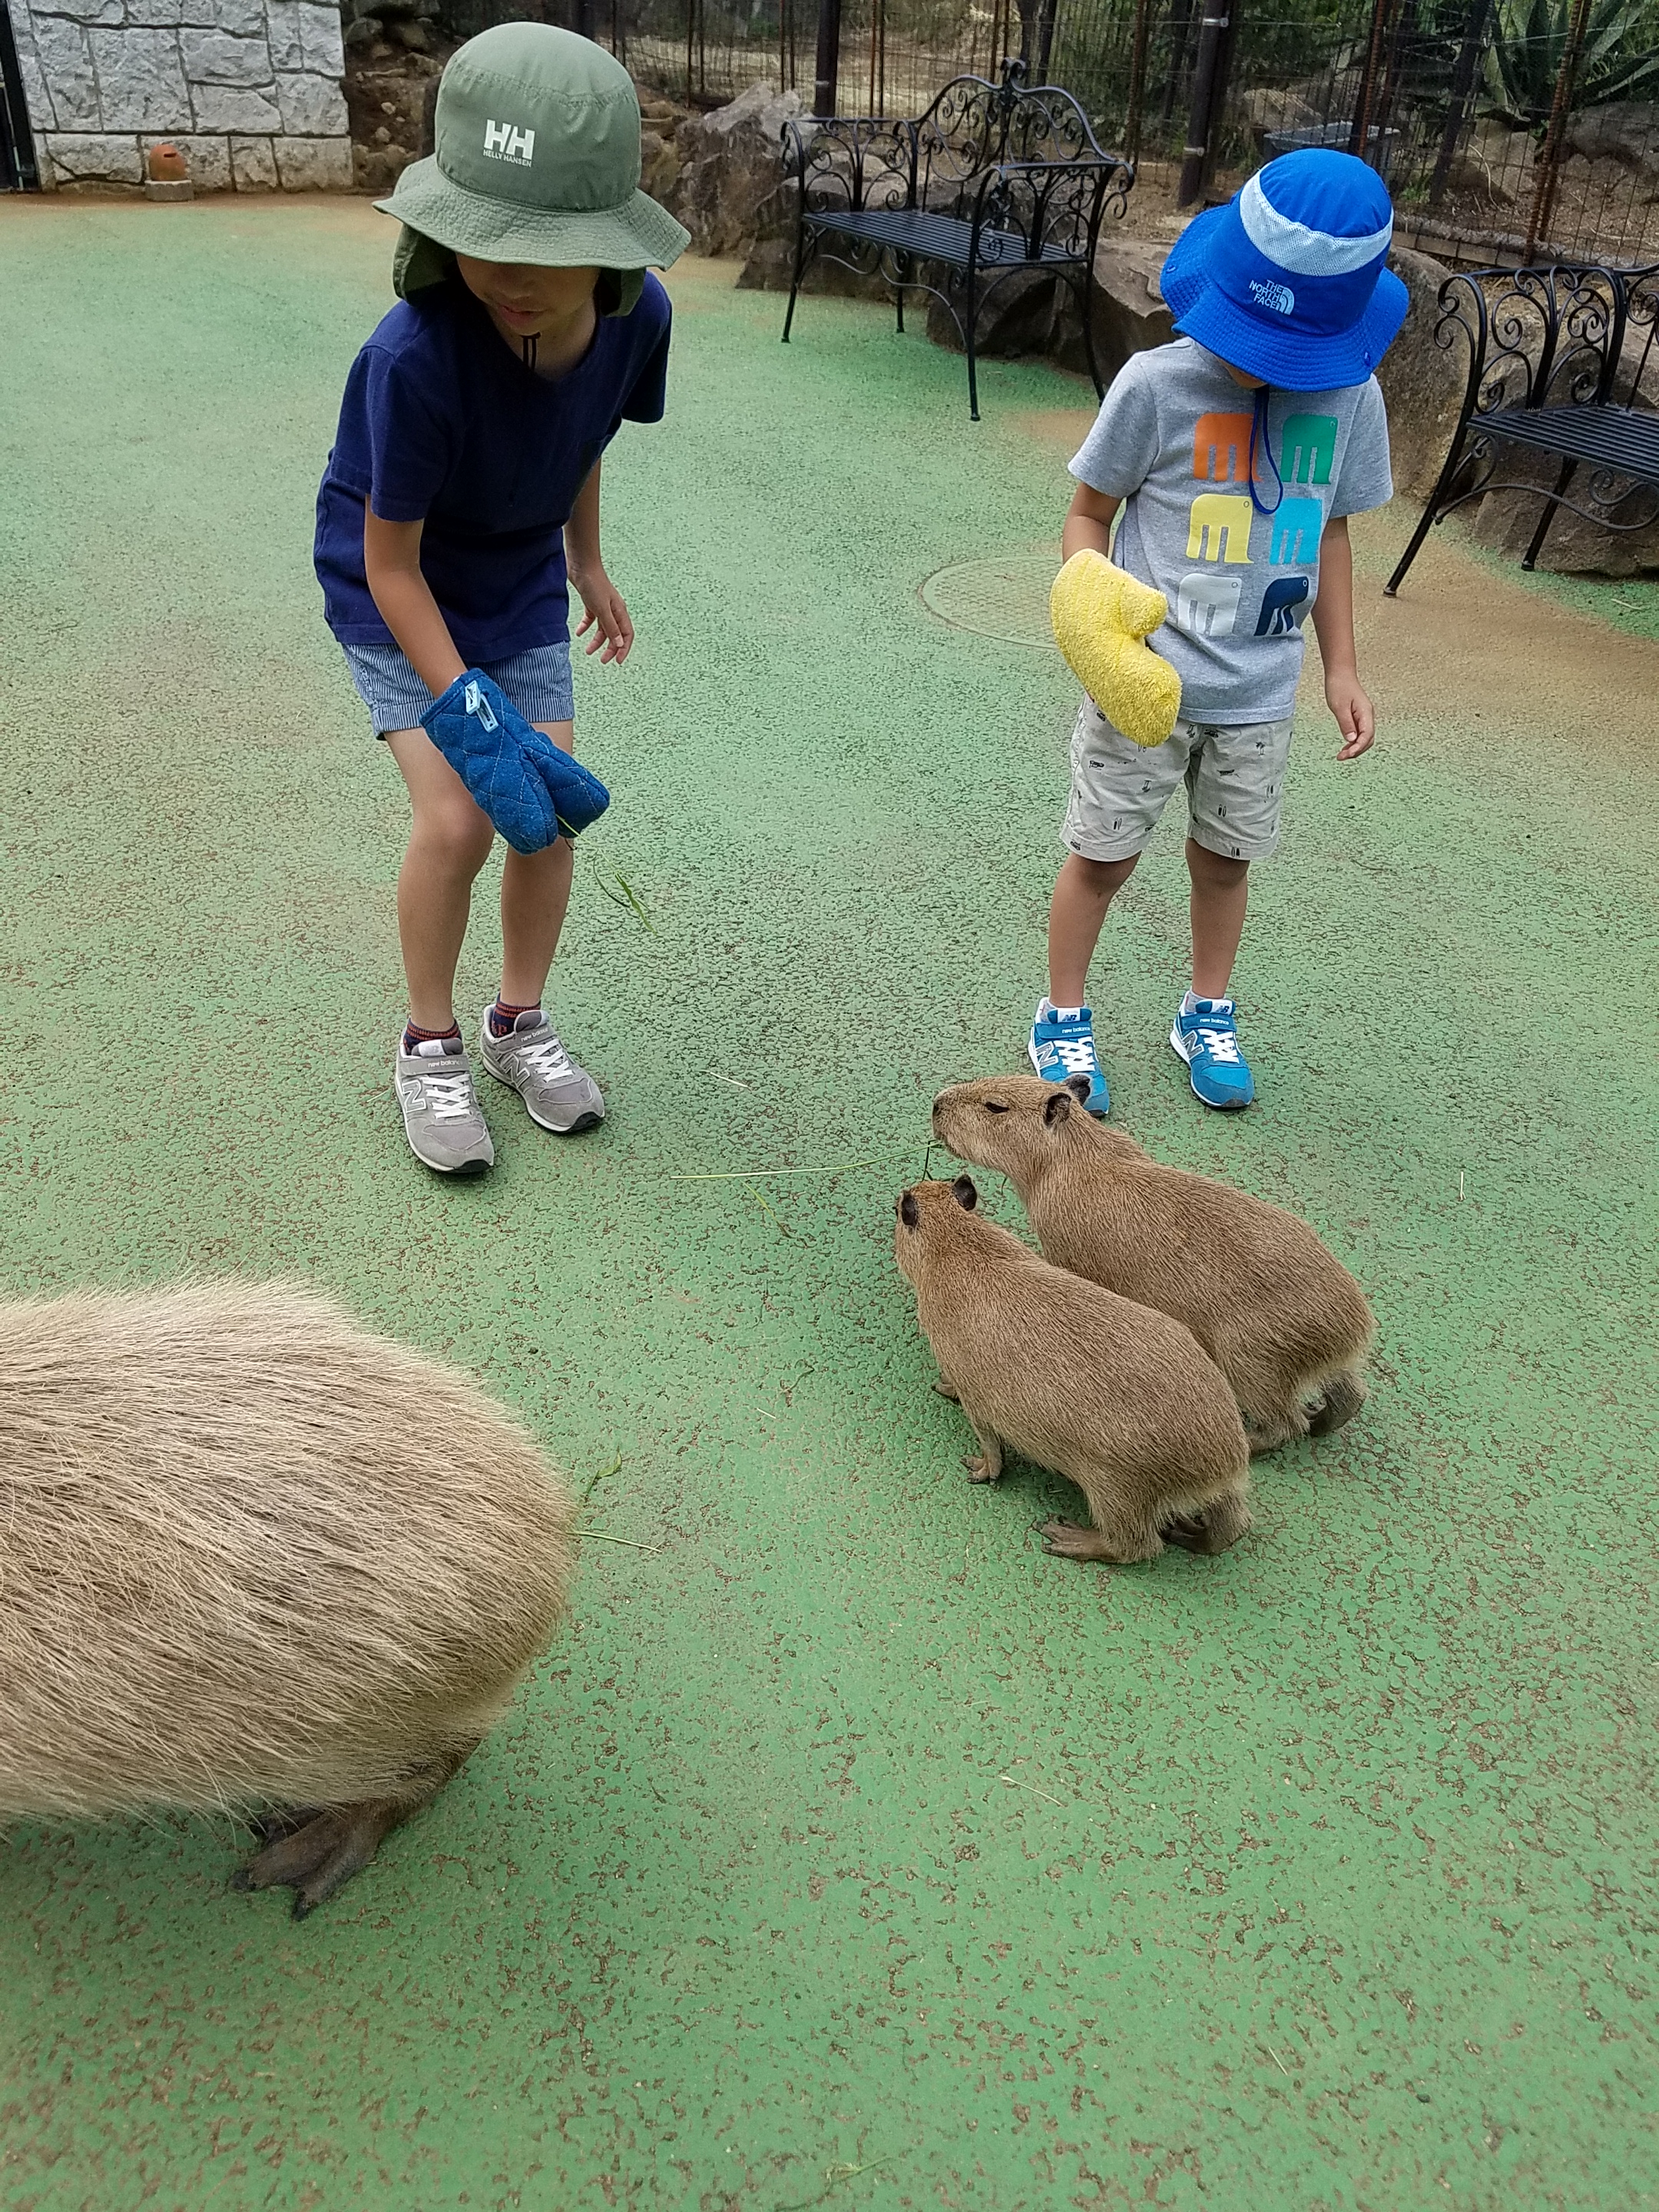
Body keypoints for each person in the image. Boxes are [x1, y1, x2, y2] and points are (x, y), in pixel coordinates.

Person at [314, 23, 688, 1174]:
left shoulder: (639, 320)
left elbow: (582, 437)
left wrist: (585, 558)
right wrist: (463, 703)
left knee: (547, 810)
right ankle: (428, 1043)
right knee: (457, 819)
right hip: (399, 590)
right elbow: (390, 564)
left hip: (519, 572)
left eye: (546, 250)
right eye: (484, 244)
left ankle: (516, 1022)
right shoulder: (414, 359)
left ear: (610, 245)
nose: (511, 278)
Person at [1028, 148, 1406, 1114]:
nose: (1263, 366)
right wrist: (1097, 631)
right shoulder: (1157, 385)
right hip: (1143, 686)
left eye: (1288, 352)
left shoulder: (1352, 397)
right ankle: (1060, 1014)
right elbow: (1087, 516)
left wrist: (1342, 667)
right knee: (1103, 855)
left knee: (1226, 860)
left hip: (1259, 694)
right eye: (1251, 338)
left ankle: (1206, 1009)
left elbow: (1330, 531)